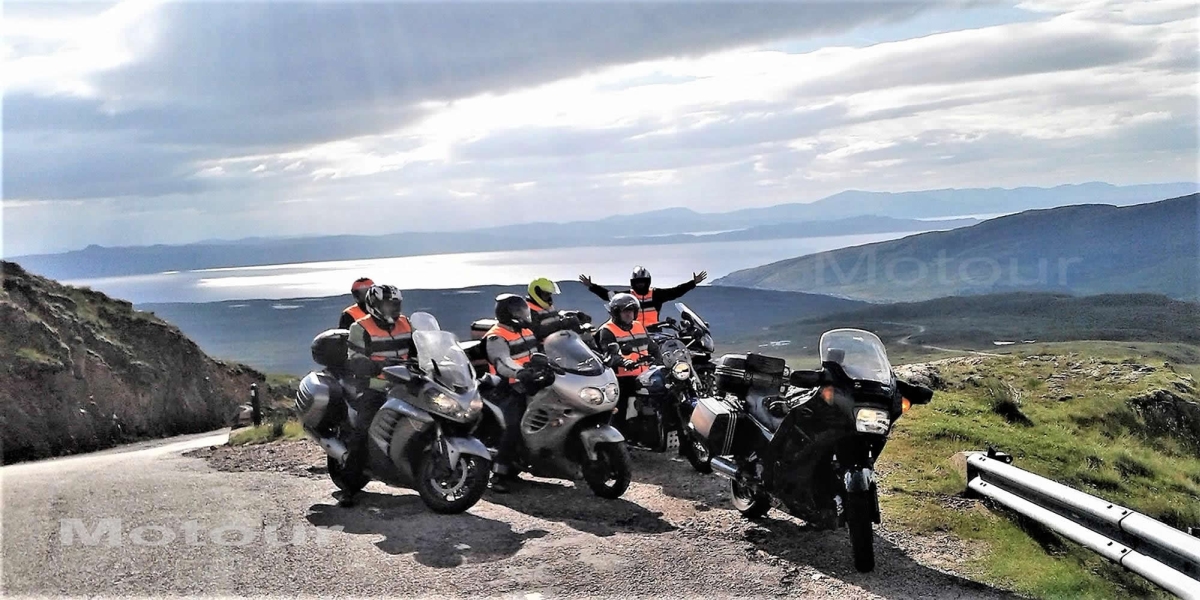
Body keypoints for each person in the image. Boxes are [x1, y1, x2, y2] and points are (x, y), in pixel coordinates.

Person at [340, 284, 414, 502]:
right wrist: (367, 365)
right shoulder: (360, 327)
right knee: (364, 431)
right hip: (375, 386)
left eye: (395, 304)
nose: (393, 309)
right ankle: (349, 487)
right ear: (374, 305)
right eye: (388, 304)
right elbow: (353, 356)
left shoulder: (407, 323)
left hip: (406, 383)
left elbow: (421, 347)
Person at [483, 294, 543, 493]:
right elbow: (502, 363)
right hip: (506, 387)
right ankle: (498, 474)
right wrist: (520, 373)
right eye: (517, 311)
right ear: (505, 314)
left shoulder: (525, 330)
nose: (522, 314)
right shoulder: (496, 336)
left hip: (530, 382)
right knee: (514, 425)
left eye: (522, 310)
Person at [595, 293, 660, 438]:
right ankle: (618, 440)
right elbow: (609, 354)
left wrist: (659, 360)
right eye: (625, 311)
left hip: (645, 375)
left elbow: (653, 347)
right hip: (622, 378)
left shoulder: (638, 326)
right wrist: (624, 362)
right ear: (616, 312)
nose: (629, 314)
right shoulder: (607, 330)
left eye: (632, 310)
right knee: (621, 410)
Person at [579, 266, 707, 326]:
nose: (640, 285)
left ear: (648, 282)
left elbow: (676, 291)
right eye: (638, 282)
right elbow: (608, 295)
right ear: (633, 283)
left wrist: (693, 283)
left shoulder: (656, 294)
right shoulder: (627, 296)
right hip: (632, 331)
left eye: (643, 282)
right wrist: (592, 286)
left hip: (655, 332)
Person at [525, 277, 589, 341]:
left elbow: (555, 319)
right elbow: (536, 331)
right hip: (544, 348)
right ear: (536, 292)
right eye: (546, 294)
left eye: (549, 294)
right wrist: (564, 323)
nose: (548, 297)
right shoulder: (528, 310)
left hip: (559, 343)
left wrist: (575, 315)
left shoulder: (548, 306)